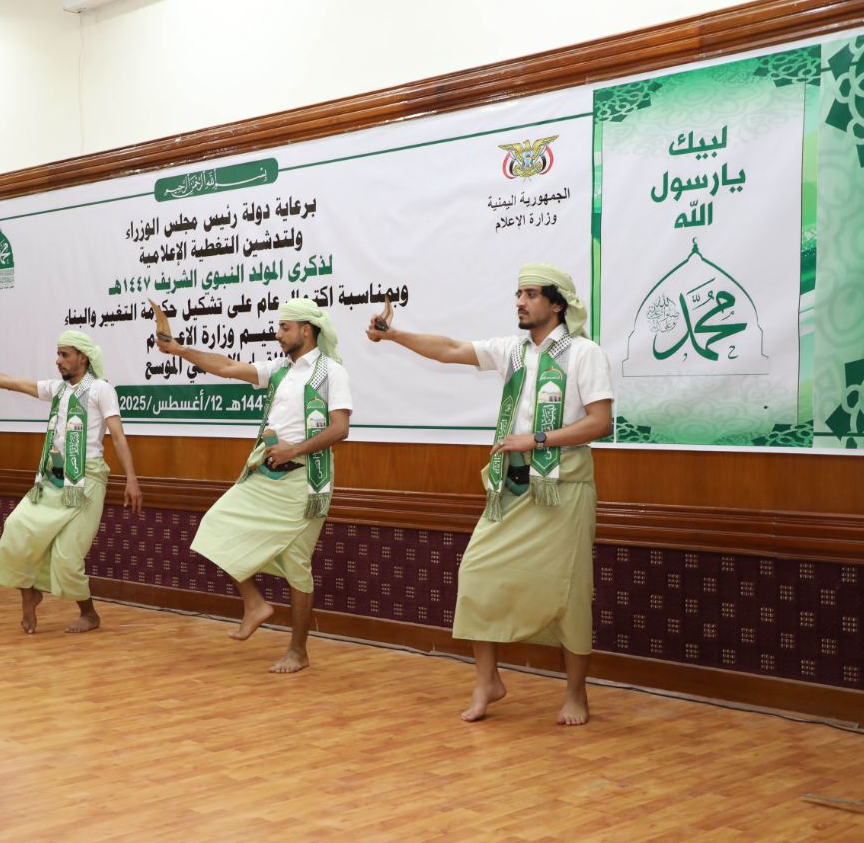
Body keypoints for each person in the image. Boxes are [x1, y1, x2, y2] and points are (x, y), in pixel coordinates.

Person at [366, 263, 613, 724]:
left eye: (531, 294)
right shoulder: (512, 351)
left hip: (564, 486)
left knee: (570, 591)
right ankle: (488, 682)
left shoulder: (585, 354)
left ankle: (576, 694)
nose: (520, 302)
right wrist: (395, 335)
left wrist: (536, 439)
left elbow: (601, 422)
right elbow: (451, 349)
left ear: (557, 304)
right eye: (518, 294)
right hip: (511, 486)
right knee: (477, 572)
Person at [157, 297, 353, 673]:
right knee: (215, 525)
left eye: (284, 328)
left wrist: (294, 448)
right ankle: (254, 603)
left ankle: (298, 651)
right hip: (264, 475)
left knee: (297, 565)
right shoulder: (279, 369)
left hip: (304, 482)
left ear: (306, 330)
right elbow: (228, 367)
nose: (278, 334)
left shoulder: (332, 372)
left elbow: (340, 428)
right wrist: (180, 350)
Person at [0, 331, 143, 634]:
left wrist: (131, 479)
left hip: (87, 482)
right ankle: (29, 593)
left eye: (65, 355)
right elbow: (10, 383)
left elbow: (117, 436)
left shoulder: (101, 390)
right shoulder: (57, 390)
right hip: (52, 479)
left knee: (67, 558)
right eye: (58, 354)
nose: (58, 361)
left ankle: (89, 614)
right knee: (17, 527)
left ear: (83, 357)